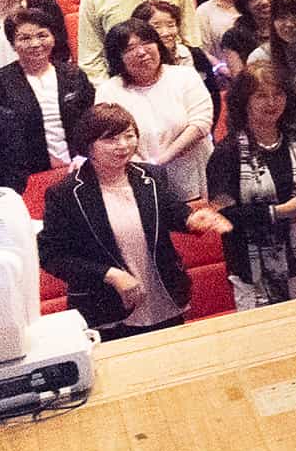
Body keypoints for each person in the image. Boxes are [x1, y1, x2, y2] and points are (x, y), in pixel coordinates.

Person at [36, 102, 229, 336]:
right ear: (88, 145)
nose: (123, 145)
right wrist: (110, 274)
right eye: (111, 139)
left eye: (129, 136)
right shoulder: (65, 194)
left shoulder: (151, 176)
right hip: (104, 308)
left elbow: (171, 211)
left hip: (162, 296)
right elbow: (51, 255)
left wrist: (192, 218)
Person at [207, 57, 296, 309]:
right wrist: (280, 212)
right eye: (261, 96)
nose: (272, 103)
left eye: (278, 94)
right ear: (245, 101)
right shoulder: (227, 152)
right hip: (252, 267)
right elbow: (223, 215)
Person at [101, 14, 215, 212]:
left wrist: (159, 162)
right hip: (139, 182)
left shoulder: (185, 76)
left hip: (194, 176)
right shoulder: (109, 90)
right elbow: (108, 136)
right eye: (130, 48)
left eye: (147, 43)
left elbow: (201, 123)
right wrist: (144, 170)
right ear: (117, 57)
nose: (142, 52)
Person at [0, 0, 90, 189]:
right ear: (13, 44)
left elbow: (90, 122)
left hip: (79, 169)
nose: (35, 44)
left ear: (53, 38)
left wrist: (84, 156)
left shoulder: (73, 75)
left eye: (42, 35)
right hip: (27, 178)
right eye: (25, 38)